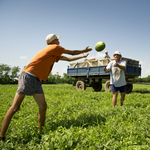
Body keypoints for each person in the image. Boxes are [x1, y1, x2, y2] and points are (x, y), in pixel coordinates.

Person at [0, 33, 92, 142]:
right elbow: (71, 52)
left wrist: (82, 57)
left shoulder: (54, 52)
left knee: (43, 106)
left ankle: (41, 132)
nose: (59, 42)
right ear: (53, 41)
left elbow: (68, 58)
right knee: (15, 108)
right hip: (29, 76)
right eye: (57, 40)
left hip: (37, 80)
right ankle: (1, 136)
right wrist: (83, 51)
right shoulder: (54, 47)